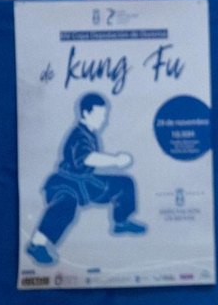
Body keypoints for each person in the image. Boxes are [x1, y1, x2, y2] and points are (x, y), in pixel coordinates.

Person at [25, 92, 144, 266]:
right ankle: (37, 244)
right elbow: (88, 158)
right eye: (99, 114)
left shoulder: (89, 132)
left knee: (124, 184)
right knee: (65, 206)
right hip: (65, 183)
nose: (103, 119)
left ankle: (121, 222)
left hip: (84, 182)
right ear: (86, 114)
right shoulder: (79, 134)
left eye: (104, 114)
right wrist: (116, 160)